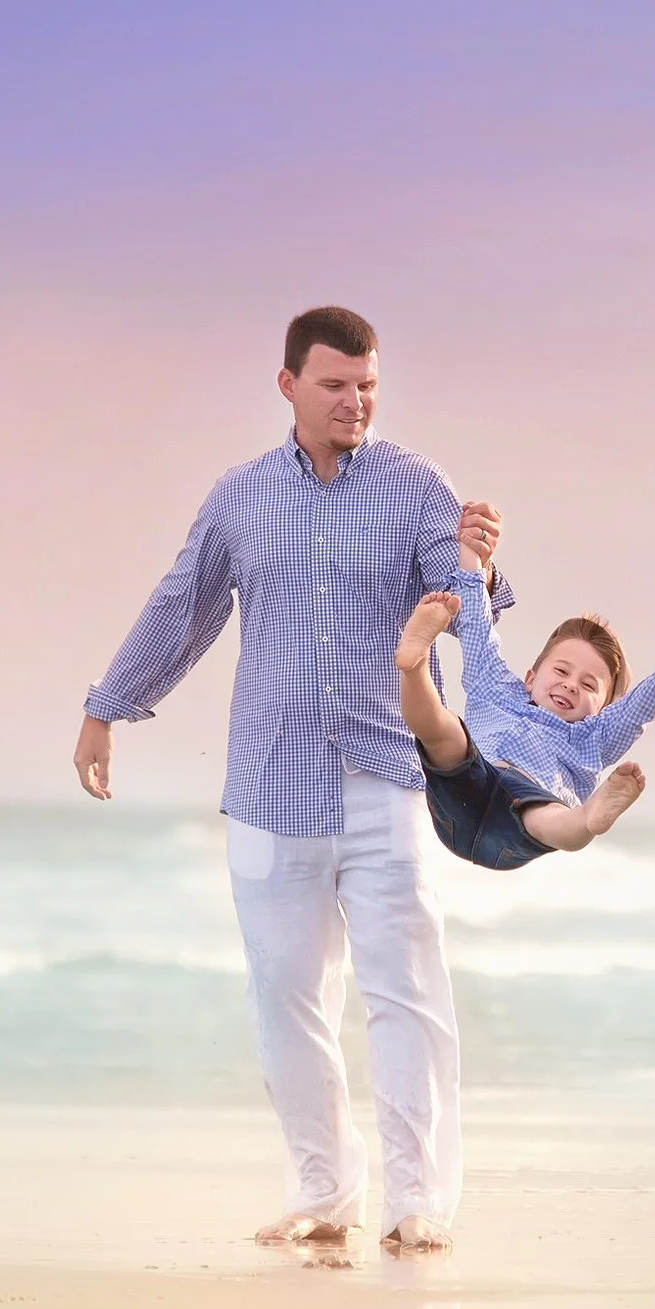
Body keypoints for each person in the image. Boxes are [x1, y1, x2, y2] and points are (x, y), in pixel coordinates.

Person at [72, 306, 507, 1257]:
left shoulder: (417, 487)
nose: (354, 402)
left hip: (386, 773)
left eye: (367, 387)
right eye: (336, 385)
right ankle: (322, 1191)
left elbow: (457, 599)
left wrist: (475, 565)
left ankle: (417, 1200)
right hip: (272, 784)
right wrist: (108, 705)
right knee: (286, 996)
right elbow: (182, 603)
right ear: (289, 386)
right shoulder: (240, 497)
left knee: (407, 994)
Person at [393, 533, 655, 869]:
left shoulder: (595, 737)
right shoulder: (496, 688)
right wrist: (471, 552)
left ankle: (589, 819)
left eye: (588, 685)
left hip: (519, 819)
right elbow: (476, 625)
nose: (571, 685)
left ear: (603, 710)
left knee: (549, 819)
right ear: (532, 676)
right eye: (561, 670)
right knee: (445, 732)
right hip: (467, 783)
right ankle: (414, 664)